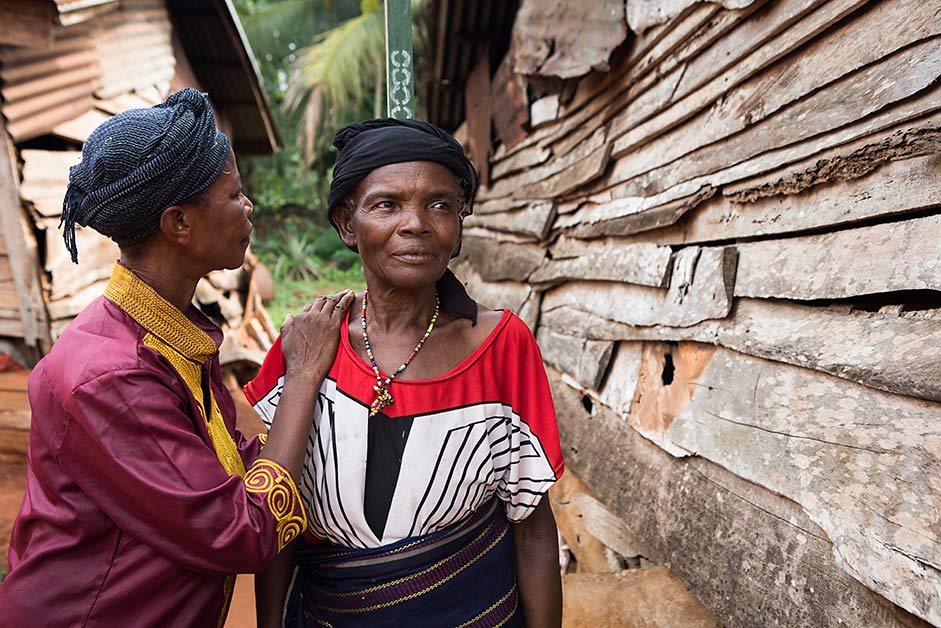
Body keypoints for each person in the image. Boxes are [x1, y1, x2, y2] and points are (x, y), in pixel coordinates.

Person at [0, 89, 354, 627]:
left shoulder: (168, 335)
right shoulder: (112, 376)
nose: (249, 207)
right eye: (235, 194)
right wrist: (303, 373)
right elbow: (243, 532)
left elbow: (230, 464)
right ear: (179, 224)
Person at [244, 118, 564, 627]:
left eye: (439, 205)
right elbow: (278, 520)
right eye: (387, 204)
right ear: (347, 224)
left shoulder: (501, 345)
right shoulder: (307, 344)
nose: (416, 223)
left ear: (458, 224)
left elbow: (533, 528)